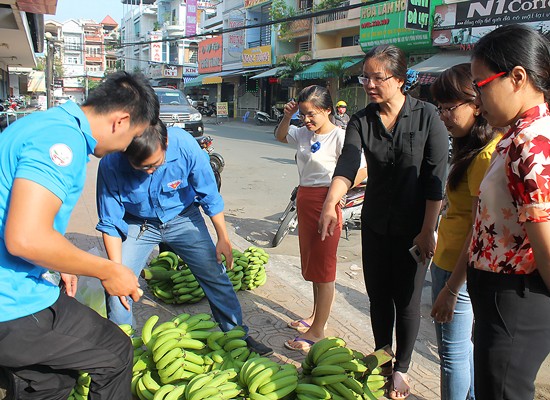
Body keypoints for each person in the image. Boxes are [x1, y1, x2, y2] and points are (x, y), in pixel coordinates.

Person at [0, 71, 159, 399]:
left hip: (13, 290)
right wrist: (108, 269)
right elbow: (25, 238)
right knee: (115, 352)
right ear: (121, 121)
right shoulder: (62, 141)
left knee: (51, 380)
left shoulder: (41, 124)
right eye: (133, 137)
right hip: (11, 302)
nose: (127, 148)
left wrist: (60, 260)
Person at [319, 44, 448, 399]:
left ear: (401, 79)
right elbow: (347, 163)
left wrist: (427, 230)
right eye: (366, 77)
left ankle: (403, 368)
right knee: (378, 296)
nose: (369, 84)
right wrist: (332, 201)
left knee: (406, 301)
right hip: (375, 224)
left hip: (414, 228)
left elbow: (436, 178)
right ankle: (384, 355)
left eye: (378, 77)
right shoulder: (361, 120)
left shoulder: (428, 117)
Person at [96, 120, 273, 356]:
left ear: (165, 143)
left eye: (154, 164)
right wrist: (116, 270)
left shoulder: (185, 145)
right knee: (117, 286)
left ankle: (237, 335)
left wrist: (223, 237)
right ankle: (123, 349)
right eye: (140, 167)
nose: (149, 172)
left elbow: (209, 193)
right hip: (137, 224)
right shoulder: (111, 163)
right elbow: (110, 222)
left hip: (183, 217)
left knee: (215, 274)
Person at [466, 24, 550, 399]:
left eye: (481, 85)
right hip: (500, 297)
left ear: (517, 77)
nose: (477, 99)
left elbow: (545, 240)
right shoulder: (516, 136)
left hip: (515, 296)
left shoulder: (529, 144)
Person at [275, 85, 367, 351]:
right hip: (305, 199)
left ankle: (317, 332)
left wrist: (336, 194)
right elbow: (281, 136)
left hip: (326, 203)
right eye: (303, 114)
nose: (307, 120)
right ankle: (315, 316)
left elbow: (362, 170)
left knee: (325, 269)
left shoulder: (340, 137)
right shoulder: (303, 132)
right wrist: (287, 117)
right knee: (313, 264)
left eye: (312, 114)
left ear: (328, 111)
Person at [429, 63, 502, 400]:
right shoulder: (470, 150)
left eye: (449, 107)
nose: (443, 115)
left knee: (452, 355)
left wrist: (452, 289)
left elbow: (478, 230)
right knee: (462, 350)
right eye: (440, 107)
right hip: (451, 263)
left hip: (459, 270)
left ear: (476, 103)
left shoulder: (485, 156)